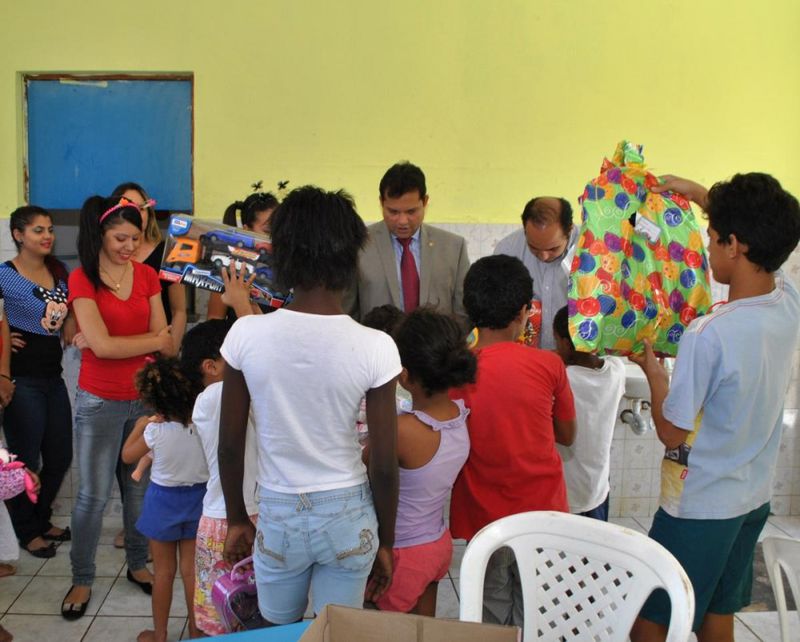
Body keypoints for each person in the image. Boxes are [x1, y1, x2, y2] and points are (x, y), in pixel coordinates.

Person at [628, 173, 800, 642]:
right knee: (716, 614)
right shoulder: (787, 301)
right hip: (751, 500)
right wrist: (701, 195)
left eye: (711, 236)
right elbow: (759, 237)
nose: (705, 246)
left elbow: (670, 431)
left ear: (734, 245)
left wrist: (654, 373)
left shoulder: (708, 334)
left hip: (700, 506)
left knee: (651, 625)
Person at [219, 185, 401, 625]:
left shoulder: (246, 335)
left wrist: (237, 519)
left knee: (278, 629)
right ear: (350, 257)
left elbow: (229, 444)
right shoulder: (375, 345)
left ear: (279, 255)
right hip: (348, 514)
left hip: (279, 514)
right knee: (335, 632)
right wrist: (386, 541)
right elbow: (384, 463)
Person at [62, 195, 173, 620]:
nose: (129, 246)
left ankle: (138, 565)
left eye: (135, 237)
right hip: (98, 400)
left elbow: (167, 340)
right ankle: (82, 577)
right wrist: (137, 343)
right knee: (91, 495)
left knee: (139, 491)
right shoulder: (82, 278)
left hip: (143, 400)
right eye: (120, 238)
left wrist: (112, 342)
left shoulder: (146, 275)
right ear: (101, 236)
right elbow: (115, 346)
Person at [450, 254, 576, 629]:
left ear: (469, 309)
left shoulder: (458, 369)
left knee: (489, 616)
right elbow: (567, 435)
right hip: (542, 515)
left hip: (483, 520)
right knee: (537, 613)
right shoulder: (549, 365)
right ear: (525, 311)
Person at [364, 308, 476, 615]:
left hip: (402, 551)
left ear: (404, 375)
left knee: (383, 629)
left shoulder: (403, 430)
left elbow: (365, 461)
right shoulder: (458, 414)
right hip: (437, 545)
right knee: (423, 628)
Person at [110, 183, 187, 550]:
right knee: (126, 448)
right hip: (116, 360)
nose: (137, 210)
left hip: (158, 358)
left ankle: (152, 526)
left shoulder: (166, 250)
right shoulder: (108, 252)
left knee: (156, 445)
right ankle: (132, 523)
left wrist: (171, 351)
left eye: (143, 205)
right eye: (128, 205)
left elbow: (182, 308)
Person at [0, 206, 75, 558]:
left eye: (49, 230)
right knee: (22, 461)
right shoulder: (4, 275)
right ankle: (28, 532)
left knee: (60, 456)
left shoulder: (59, 272)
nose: (47, 236)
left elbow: (69, 322)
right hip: (21, 380)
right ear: (18, 235)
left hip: (52, 377)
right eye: (37, 230)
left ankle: (41, 519)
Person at [122, 357, 208, 642]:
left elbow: (127, 456)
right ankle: (196, 631)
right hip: (199, 500)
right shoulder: (202, 427)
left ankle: (160, 635)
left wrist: (139, 425)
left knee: (163, 573)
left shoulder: (154, 431)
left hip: (162, 503)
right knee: (191, 573)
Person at [188, 318, 260, 636]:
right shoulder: (215, 395)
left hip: (251, 514)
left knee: (254, 616)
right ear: (211, 367)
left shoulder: (234, 393)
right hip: (227, 521)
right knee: (221, 615)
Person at [344, 162, 471, 327]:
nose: (402, 221)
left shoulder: (453, 247)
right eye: (393, 212)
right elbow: (348, 313)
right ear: (381, 202)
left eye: (411, 212)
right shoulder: (358, 245)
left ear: (425, 202)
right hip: (377, 349)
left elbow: (462, 314)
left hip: (437, 350)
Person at [552, 305, 625, 520]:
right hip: (598, 489)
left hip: (567, 493)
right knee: (593, 548)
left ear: (565, 343)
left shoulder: (563, 380)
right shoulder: (616, 371)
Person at [493, 196, 579, 349]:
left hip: (577, 360)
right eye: (533, 247)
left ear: (570, 229)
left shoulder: (592, 252)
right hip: (524, 358)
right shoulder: (507, 250)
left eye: (553, 248)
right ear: (525, 229)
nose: (544, 256)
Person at [207, 190, 279, 320]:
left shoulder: (289, 269)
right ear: (246, 230)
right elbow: (214, 320)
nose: (275, 235)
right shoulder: (230, 270)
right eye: (268, 230)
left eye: (280, 227)